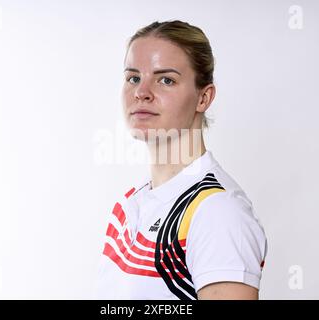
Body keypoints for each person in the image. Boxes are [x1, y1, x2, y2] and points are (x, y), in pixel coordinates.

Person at [95, 20, 268, 300]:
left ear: (204, 97)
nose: (141, 92)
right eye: (133, 77)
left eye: (166, 79)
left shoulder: (216, 212)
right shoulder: (130, 203)